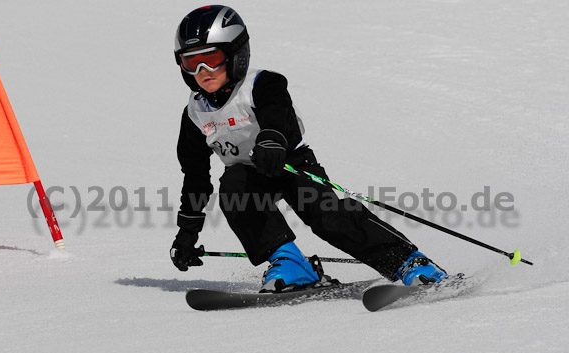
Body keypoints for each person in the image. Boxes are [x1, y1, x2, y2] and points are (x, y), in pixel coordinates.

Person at [169, 5, 448, 292]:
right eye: (192, 63)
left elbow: (276, 110)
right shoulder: (194, 114)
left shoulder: (262, 84)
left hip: (290, 164)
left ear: (236, 54)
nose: (203, 71)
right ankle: (291, 264)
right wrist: (187, 232)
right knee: (234, 188)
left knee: (328, 215)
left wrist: (272, 139)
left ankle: (409, 262)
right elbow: (195, 176)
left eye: (212, 59)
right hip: (249, 179)